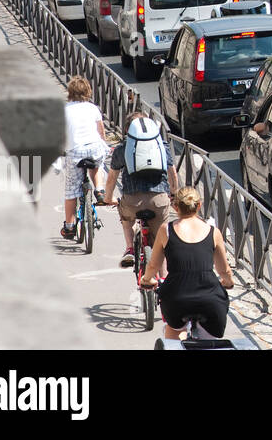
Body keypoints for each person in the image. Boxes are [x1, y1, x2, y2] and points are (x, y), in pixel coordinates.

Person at [140, 186, 233, 340]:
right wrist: (227, 282)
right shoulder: (213, 231)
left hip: (177, 297)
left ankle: (175, 341)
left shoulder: (166, 230)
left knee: (175, 331)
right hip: (209, 298)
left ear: (175, 207)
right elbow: (224, 270)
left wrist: (147, 279)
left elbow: (153, 265)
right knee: (209, 341)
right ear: (199, 205)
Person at [101, 113, 178, 268]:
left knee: (125, 216)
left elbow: (111, 179)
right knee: (160, 245)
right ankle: (162, 281)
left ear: (127, 129)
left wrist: (108, 198)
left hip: (132, 202)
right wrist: (174, 194)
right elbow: (172, 174)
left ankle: (130, 247)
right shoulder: (161, 146)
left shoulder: (122, 149)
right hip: (159, 201)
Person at [60, 76, 109, 240]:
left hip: (75, 151)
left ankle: (69, 227)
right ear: (87, 91)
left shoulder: (65, 109)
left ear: (70, 92)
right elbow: (101, 131)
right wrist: (103, 144)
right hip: (93, 147)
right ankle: (100, 191)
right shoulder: (92, 108)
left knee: (71, 190)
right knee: (97, 164)